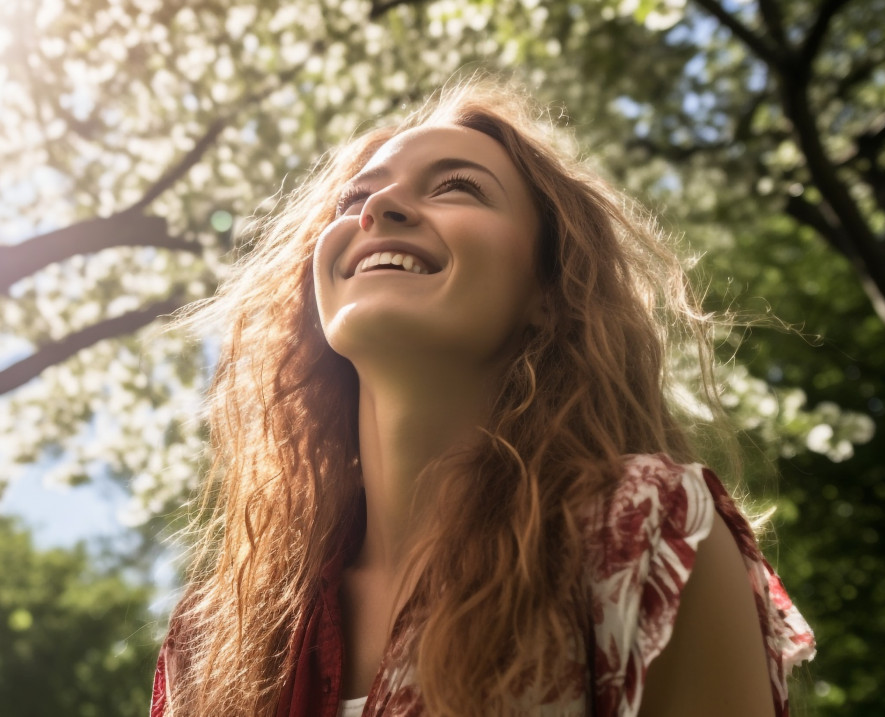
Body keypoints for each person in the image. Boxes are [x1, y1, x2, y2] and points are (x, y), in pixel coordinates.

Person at [150, 76, 815, 717]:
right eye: (353, 200)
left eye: (458, 187)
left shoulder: (645, 534)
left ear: (550, 294)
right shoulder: (213, 638)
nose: (377, 210)